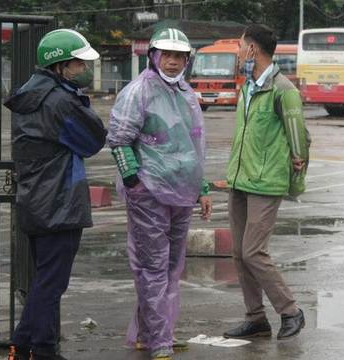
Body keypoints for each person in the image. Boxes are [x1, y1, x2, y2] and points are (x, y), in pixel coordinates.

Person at [106, 28, 213, 360]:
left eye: (178, 56)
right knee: (152, 268)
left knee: (171, 268)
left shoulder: (185, 93)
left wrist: (202, 188)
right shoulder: (137, 91)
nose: (172, 61)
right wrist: (134, 183)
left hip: (183, 193)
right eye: (166, 55)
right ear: (153, 56)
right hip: (149, 194)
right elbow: (119, 140)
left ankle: (151, 332)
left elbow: (192, 145)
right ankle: (159, 340)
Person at [3, 29, 107, 360]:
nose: (83, 71)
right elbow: (93, 140)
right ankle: (28, 348)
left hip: (34, 202)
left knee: (43, 281)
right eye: (78, 65)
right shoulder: (60, 101)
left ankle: (41, 346)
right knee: (50, 285)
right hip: (60, 203)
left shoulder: (29, 96)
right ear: (60, 65)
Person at [223, 24, 311, 341]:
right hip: (240, 180)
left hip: (266, 183)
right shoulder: (248, 87)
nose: (236, 52)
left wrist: (297, 162)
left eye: (239, 46)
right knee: (238, 253)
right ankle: (256, 319)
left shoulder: (283, 89)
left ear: (252, 50)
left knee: (253, 252)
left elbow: (300, 134)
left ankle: (291, 311)